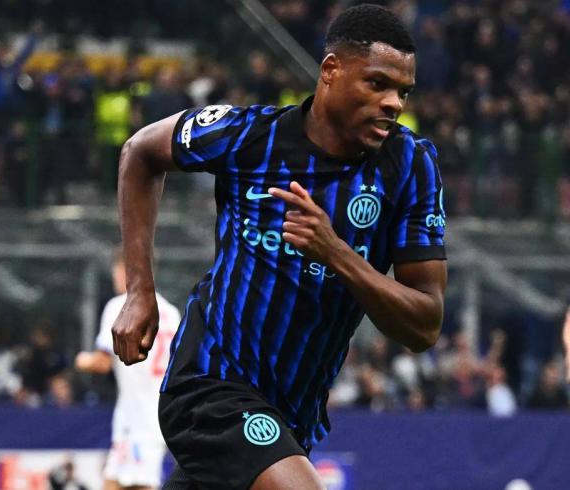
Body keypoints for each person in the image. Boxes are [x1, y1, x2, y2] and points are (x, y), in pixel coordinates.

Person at [112, 5, 447, 490]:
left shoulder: (411, 166)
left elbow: (425, 325)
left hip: (291, 417)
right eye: (378, 84)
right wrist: (139, 290)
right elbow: (140, 152)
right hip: (209, 385)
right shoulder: (249, 137)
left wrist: (336, 253)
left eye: (404, 91)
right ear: (331, 70)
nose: (393, 102)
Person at [76, 249, 181, 490]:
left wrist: (82, 360)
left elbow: (101, 363)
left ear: (129, 270)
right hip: (159, 412)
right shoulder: (170, 312)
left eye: (117, 269)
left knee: (138, 484)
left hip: (138, 418)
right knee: (116, 481)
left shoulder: (119, 306)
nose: (115, 276)